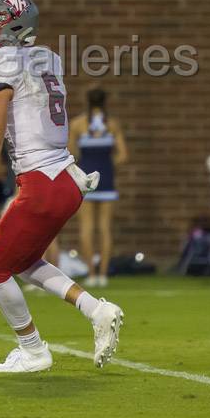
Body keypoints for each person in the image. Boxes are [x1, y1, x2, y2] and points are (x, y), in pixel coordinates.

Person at [0, 0, 123, 373]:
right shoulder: (47, 58)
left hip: (40, 181)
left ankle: (33, 349)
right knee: (22, 262)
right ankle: (97, 309)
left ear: (11, 23)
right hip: (67, 180)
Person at [69, 88, 127, 288]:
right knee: (104, 228)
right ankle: (103, 274)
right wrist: (108, 166)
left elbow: (71, 154)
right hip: (107, 180)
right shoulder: (112, 124)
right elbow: (123, 155)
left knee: (86, 228)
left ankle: (91, 274)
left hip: (85, 181)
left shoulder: (78, 124)